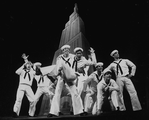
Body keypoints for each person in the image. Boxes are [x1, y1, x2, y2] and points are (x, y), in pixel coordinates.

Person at [47, 45, 84, 117]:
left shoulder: (73, 56)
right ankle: (53, 112)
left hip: (69, 76)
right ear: (62, 51)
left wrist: (76, 72)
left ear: (69, 50)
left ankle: (79, 111)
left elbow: (78, 63)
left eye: (67, 49)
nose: (66, 50)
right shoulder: (59, 58)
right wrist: (57, 77)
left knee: (75, 93)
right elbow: (57, 67)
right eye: (64, 49)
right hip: (61, 76)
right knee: (57, 93)